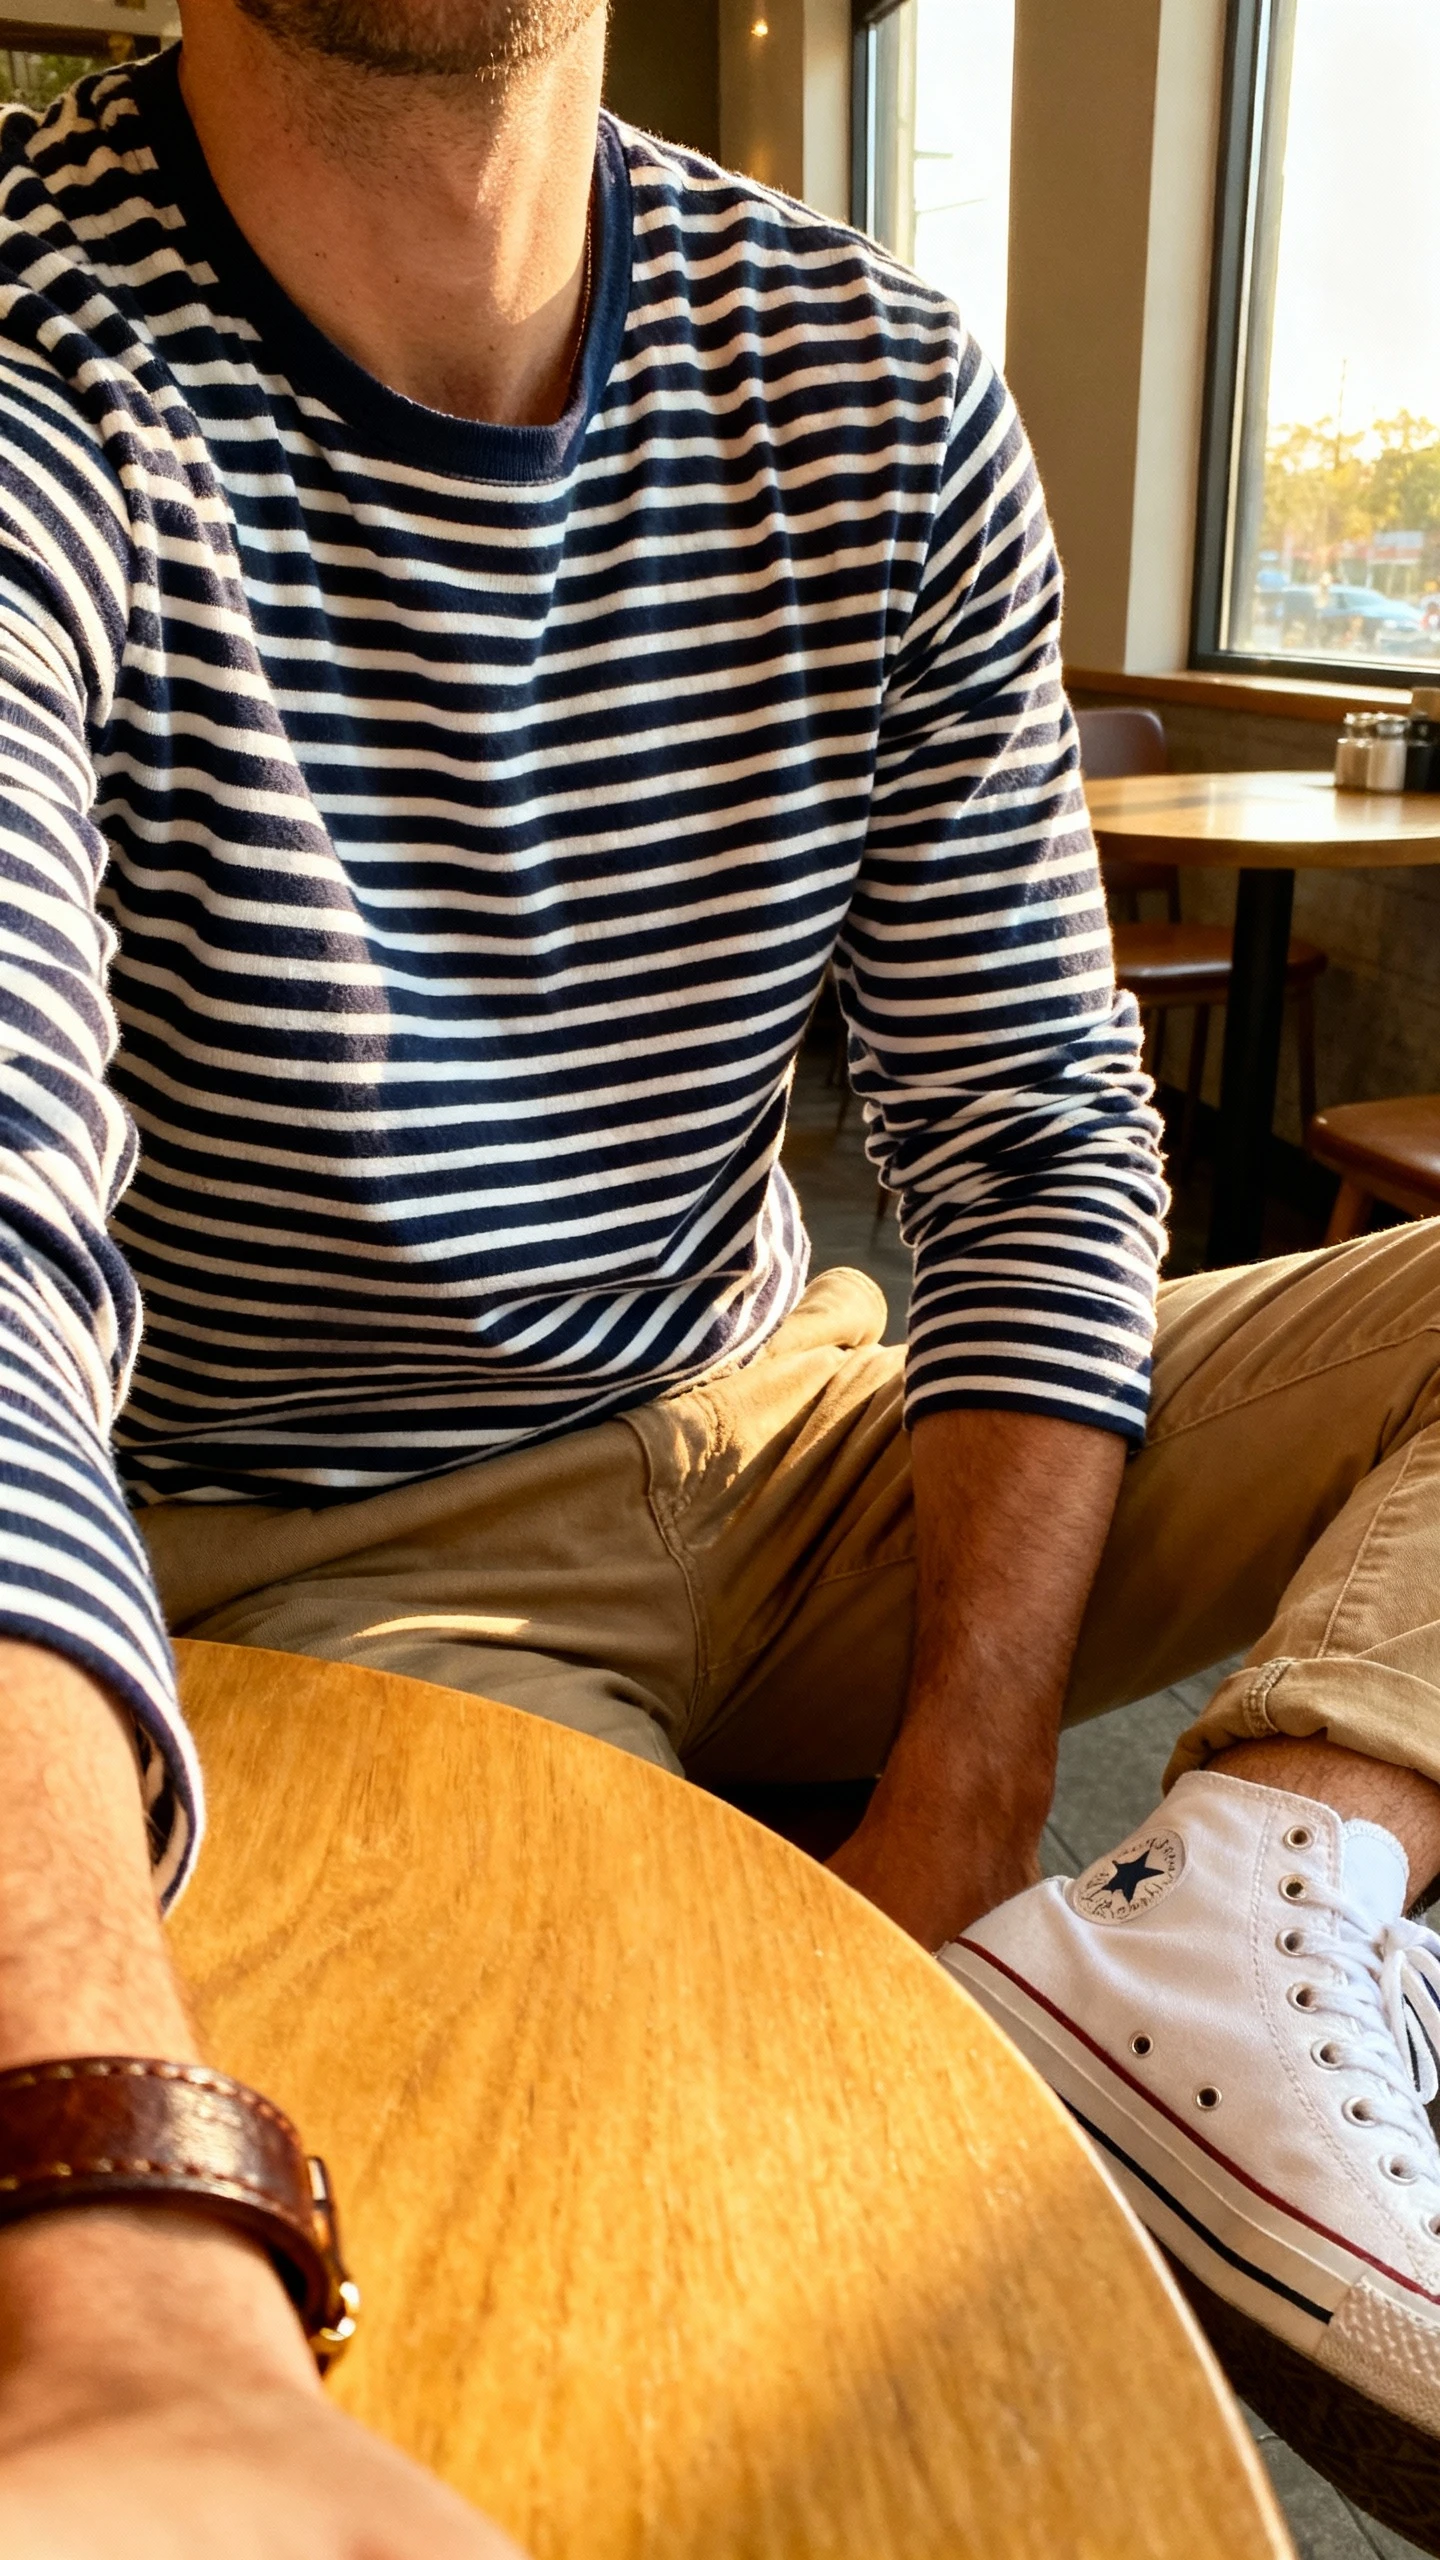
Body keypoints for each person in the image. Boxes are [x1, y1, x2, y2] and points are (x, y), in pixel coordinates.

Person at [1, 3, 1439, 2550]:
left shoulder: (872, 373)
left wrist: (978, 1792)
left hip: (791, 1427)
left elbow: (1029, 1134)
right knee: (608, 2294)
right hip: (331, 1563)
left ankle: (1225, 1912)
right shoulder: (43, 361)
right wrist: (106, 2259)